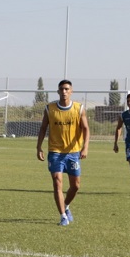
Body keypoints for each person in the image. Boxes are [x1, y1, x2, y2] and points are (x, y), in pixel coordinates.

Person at [36, 79, 90, 226]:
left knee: (76, 186)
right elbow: (43, 128)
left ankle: (65, 206)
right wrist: (38, 147)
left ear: (71, 91)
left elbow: (85, 129)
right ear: (58, 91)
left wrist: (85, 147)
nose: (64, 91)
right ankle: (62, 216)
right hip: (55, 152)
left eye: (67, 89)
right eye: (62, 89)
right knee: (57, 182)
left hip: (73, 153)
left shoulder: (79, 108)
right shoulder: (50, 109)